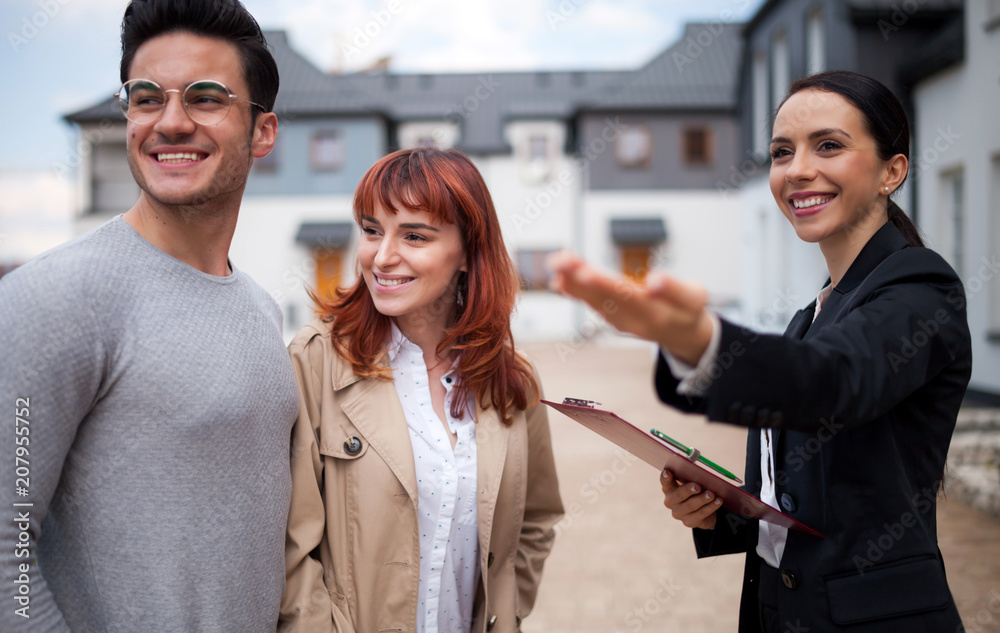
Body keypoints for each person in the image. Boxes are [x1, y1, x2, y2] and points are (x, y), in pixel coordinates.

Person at [548, 70, 971, 633]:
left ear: (892, 171)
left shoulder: (922, 289)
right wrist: (724, 513)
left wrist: (698, 343)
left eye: (828, 145)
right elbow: (803, 501)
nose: (797, 170)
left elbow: (834, 382)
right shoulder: (809, 317)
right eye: (781, 152)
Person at [0, 1, 298, 631]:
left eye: (207, 98)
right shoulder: (55, 298)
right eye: (145, 98)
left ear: (263, 131)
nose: (170, 122)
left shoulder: (262, 313)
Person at [279, 148, 564, 633]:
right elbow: (289, 548)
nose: (382, 256)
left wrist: (505, 613)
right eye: (372, 230)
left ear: (469, 254)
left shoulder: (513, 382)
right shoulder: (313, 362)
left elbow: (535, 523)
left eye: (414, 235)